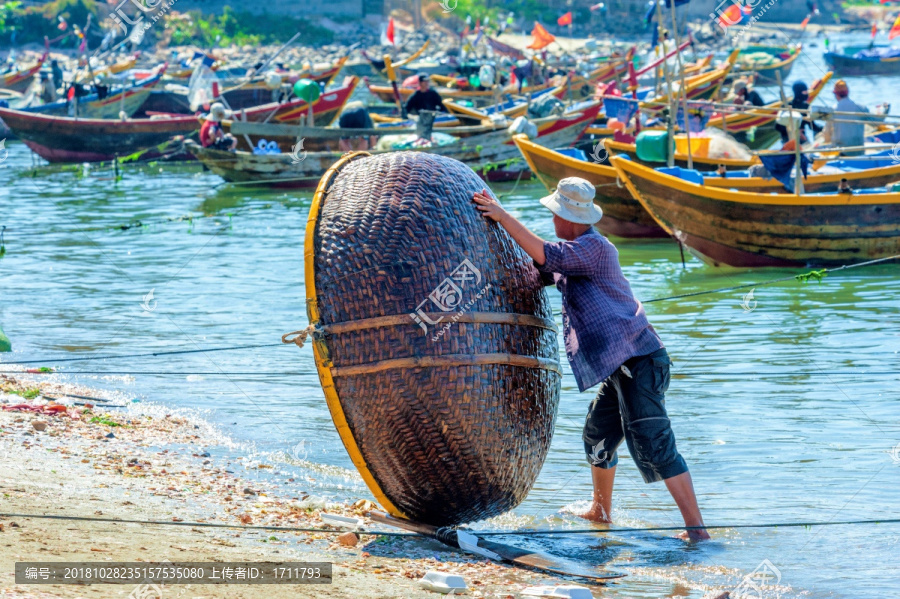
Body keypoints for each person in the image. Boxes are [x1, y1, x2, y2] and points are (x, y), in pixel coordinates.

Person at [472, 179, 710, 542]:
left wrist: (503, 216)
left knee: (655, 444)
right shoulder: (574, 251)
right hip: (618, 368)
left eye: (554, 214)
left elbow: (547, 254)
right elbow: (537, 269)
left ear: (568, 218)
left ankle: (697, 531)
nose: (552, 220)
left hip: (641, 361)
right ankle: (601, 511)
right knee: (596, 438)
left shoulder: (594, 248)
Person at [829, 80, 869, 155]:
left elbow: (827, 135)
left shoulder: (832, 111)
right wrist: (885, 110)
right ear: (848, 92)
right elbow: (876, 122)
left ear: (836, 95)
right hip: (859, 152)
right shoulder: (861, 108)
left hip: (842, 153)